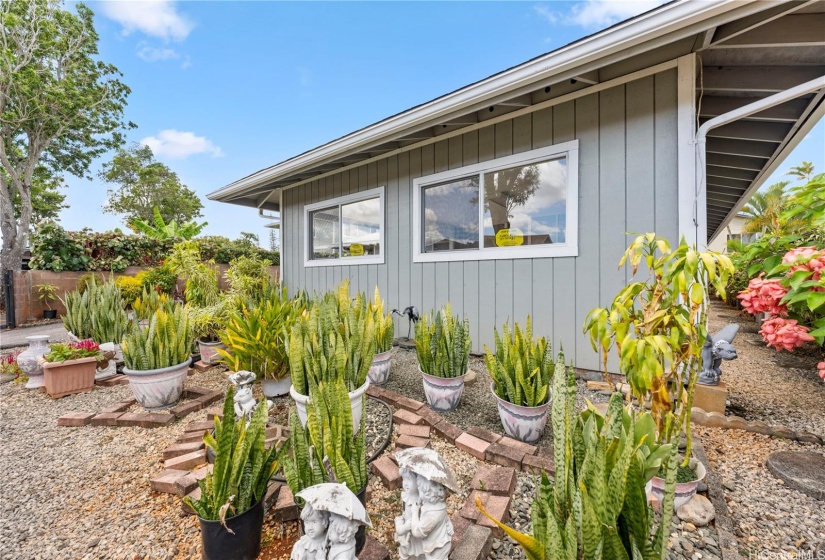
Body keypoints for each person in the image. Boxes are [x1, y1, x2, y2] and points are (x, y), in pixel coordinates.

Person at [410, 477, 453, 560]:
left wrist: (414, 512)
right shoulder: (439, 504)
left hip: (436, 550)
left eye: (419, 489)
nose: (418, 491)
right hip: (442, 543)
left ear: (427, 493)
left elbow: (418, 532)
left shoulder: (432, 516)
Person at [395, 468, 424, 559]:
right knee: (405, 551)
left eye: (409, 480)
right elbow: (404, 510)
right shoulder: (405, 496)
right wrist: (403, 523)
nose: (405, 483)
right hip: (406, 531)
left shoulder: (421, 501)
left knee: (419, 554)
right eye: (404, 479)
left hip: (417, 535)